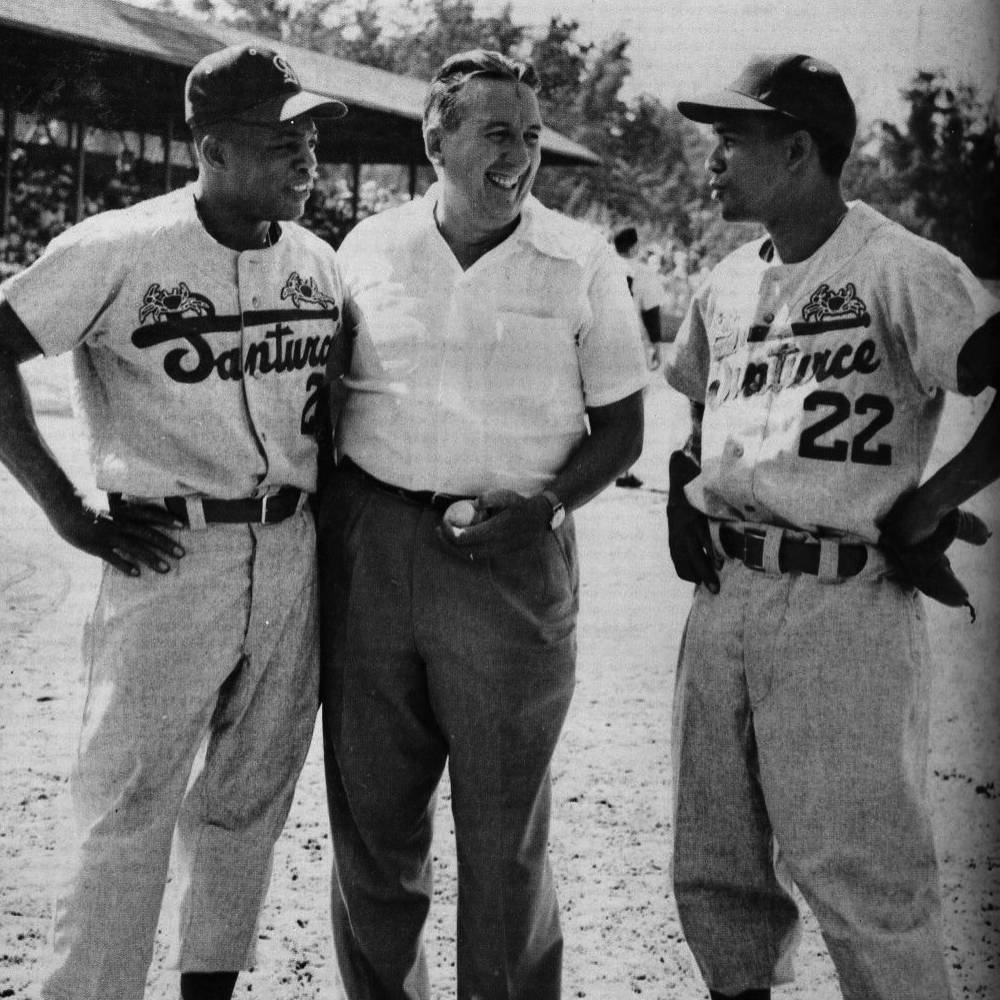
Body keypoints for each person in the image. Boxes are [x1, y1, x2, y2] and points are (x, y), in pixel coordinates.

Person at [0, 44, 349, 1000]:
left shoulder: (317, 260)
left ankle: (208, 991)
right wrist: (65, 507)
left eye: (310, 133)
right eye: (283, 136)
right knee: (127, 805)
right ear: (211, 146)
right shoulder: (118, 245)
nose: (306, 153)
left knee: (247, 800)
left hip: (291, 547)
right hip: (169, 553)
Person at [663, 53, 1000, 1000]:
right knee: (715, 874)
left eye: (733, 141)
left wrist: (936, 496)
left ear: (800, 149)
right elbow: (701, 407)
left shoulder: (897, 264)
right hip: (727, 598)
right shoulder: (726, 282)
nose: (715, 160)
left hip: (842, 599)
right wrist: (690, 478)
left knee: (865, 884)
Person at [318, 48, 647, 1000]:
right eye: (497, 133)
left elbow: (623, 427)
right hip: (374, 550)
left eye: (532, 138)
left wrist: (545, 506)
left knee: (503, 836)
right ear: (437, 136)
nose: (520, 158)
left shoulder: (580, 258)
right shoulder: (366, 248)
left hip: (511, 561)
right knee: (373, 828)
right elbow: (328, 399)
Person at [612, 225, 666, 488]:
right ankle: (622, 471)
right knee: (631, 407)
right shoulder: (641, 271)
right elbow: (650, 310)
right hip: (629, 343)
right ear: (634, 246)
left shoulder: (605, 264)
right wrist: (657, 344)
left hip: (601, 341)